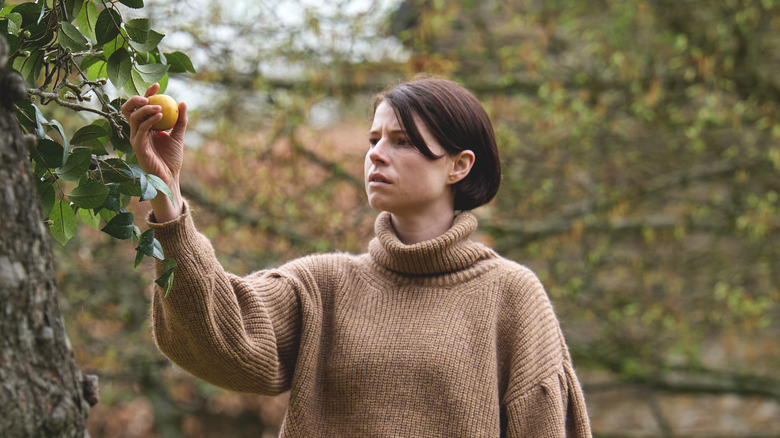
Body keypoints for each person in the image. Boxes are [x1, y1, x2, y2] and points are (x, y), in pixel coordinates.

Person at [122, 78, 592, 437]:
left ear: (459, 164)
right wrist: (167, 193)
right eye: (374, 140)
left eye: (402, 140)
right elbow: (215, 338)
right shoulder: (322, 286)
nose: (377, 155)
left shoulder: (511, 295)